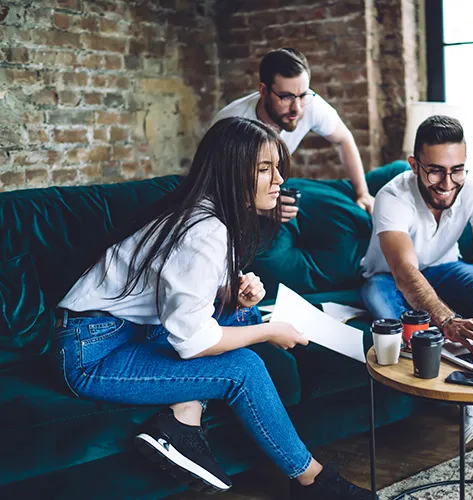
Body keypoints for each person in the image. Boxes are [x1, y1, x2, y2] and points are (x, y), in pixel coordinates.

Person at [54, 117, 375, 499]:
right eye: (264, 169)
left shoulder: (209, 215)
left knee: (244, 316)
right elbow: (193, 340)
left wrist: (238, 295)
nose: (279, 181)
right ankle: (311, 480)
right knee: (245, 368)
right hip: (93, 352)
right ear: (234, 173)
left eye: (278, 168)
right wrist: (271, 332)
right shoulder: (204, 230)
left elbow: (187, 294)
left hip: (130, 330)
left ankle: (183, 419)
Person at [360, 115, 473, 455]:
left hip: (446, 268)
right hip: (388, 277)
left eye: (456, 169)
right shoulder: (392, 196)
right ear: (414, 164)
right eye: (435, 170)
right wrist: (447, 321)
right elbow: (404, 271)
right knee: (385, 305)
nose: (447, 182)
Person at [214, 47, 374, 221]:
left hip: (278, 187)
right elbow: (214, 184)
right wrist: (258, 209)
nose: (296, 108)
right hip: (242, 203)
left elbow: (343, 139)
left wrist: (362, 193)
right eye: (286, 97)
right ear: (263, 90)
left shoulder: (310, 104)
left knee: (351, 215)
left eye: (302, 95)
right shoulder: (231, 122)